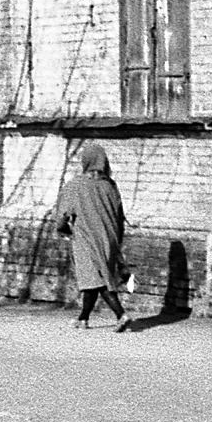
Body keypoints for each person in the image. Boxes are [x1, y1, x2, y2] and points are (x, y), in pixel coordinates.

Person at [52, 141, 129, 331]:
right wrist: (117, 241)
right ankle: (83, 318)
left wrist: (63, 231)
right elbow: (120, 216)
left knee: (98, 279)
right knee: (92, 279)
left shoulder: (75, 186)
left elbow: (62, 216)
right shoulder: (110, 186)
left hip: (86, 239)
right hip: (109, 239)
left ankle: (121, 314)